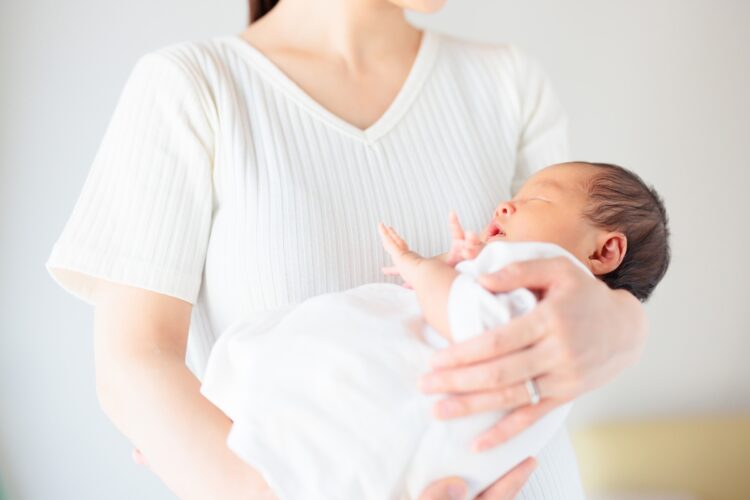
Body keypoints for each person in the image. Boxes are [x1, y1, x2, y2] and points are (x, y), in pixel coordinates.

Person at [43, 0, 651, 498]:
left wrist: (626, 327)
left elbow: (596, 272)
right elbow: (133, 368)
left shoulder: (509, 82)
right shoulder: (194, 87)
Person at [197, 161, 670, 500]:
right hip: (415, 468)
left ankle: (221, 417)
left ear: (604, 252)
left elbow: (477, 326)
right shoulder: (552, 312)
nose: (506, 205)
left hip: (396, 428)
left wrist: (426, 271)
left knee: (312, 364)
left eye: (536, 199)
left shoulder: (550, 279)